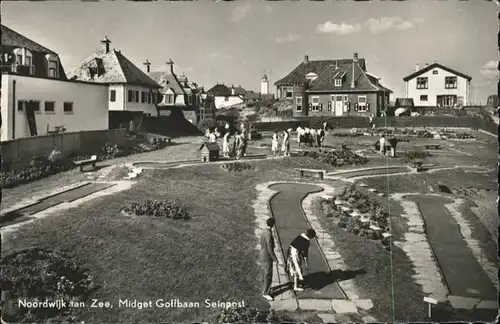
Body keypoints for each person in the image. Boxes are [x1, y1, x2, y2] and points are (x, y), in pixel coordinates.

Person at [260, 218, 279, 301]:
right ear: (273, 225)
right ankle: (266, 293)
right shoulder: (269, 234)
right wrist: (274, 258)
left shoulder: (264, 231)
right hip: (267, 256)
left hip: (262, 254)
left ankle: (264, 288)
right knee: (268, 274)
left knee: (264, 273)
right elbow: (270, 247)